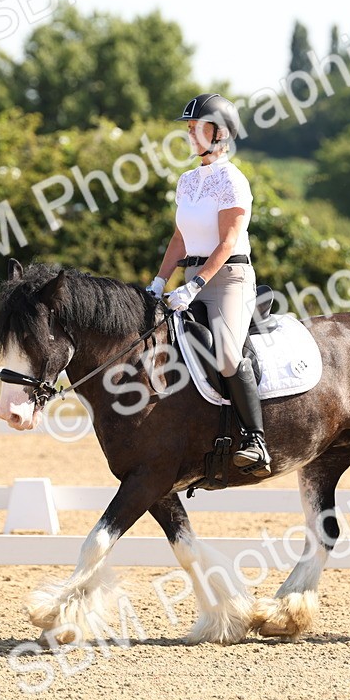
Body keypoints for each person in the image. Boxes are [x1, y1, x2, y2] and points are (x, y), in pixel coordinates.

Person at [146, 92, 271, 478]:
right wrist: (159, 280)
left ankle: (256, 440)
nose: (190, 136)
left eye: (197, 128)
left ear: (220, 133)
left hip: (228, 279)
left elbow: (227, 242)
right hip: (189, 279)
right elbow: (181, 239)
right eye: (188, 129)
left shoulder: (233, 181)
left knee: (229, 356)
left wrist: (195, 284)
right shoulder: (187, 182)